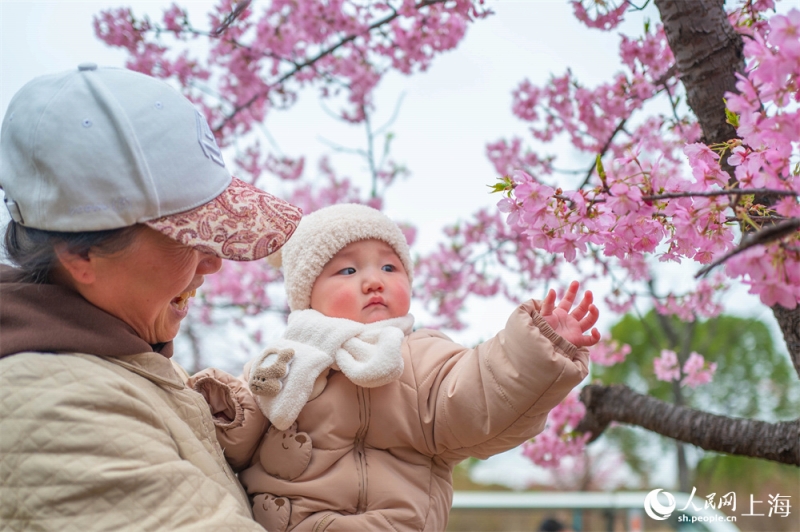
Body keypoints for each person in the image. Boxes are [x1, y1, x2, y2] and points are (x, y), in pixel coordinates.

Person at [0, 64, 302, 531]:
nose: (213, 262)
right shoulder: (59, 407)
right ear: (81, 253)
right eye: (186, 236)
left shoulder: (123, 364)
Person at [191, 203, 598, 532]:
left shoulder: (422, 356)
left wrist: (537, 345)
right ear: (306, 294)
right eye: (348, 270)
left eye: (389, 267)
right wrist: (229, 410)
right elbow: (242, 443)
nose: (373, 281)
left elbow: (477, 394)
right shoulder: (284, 358)